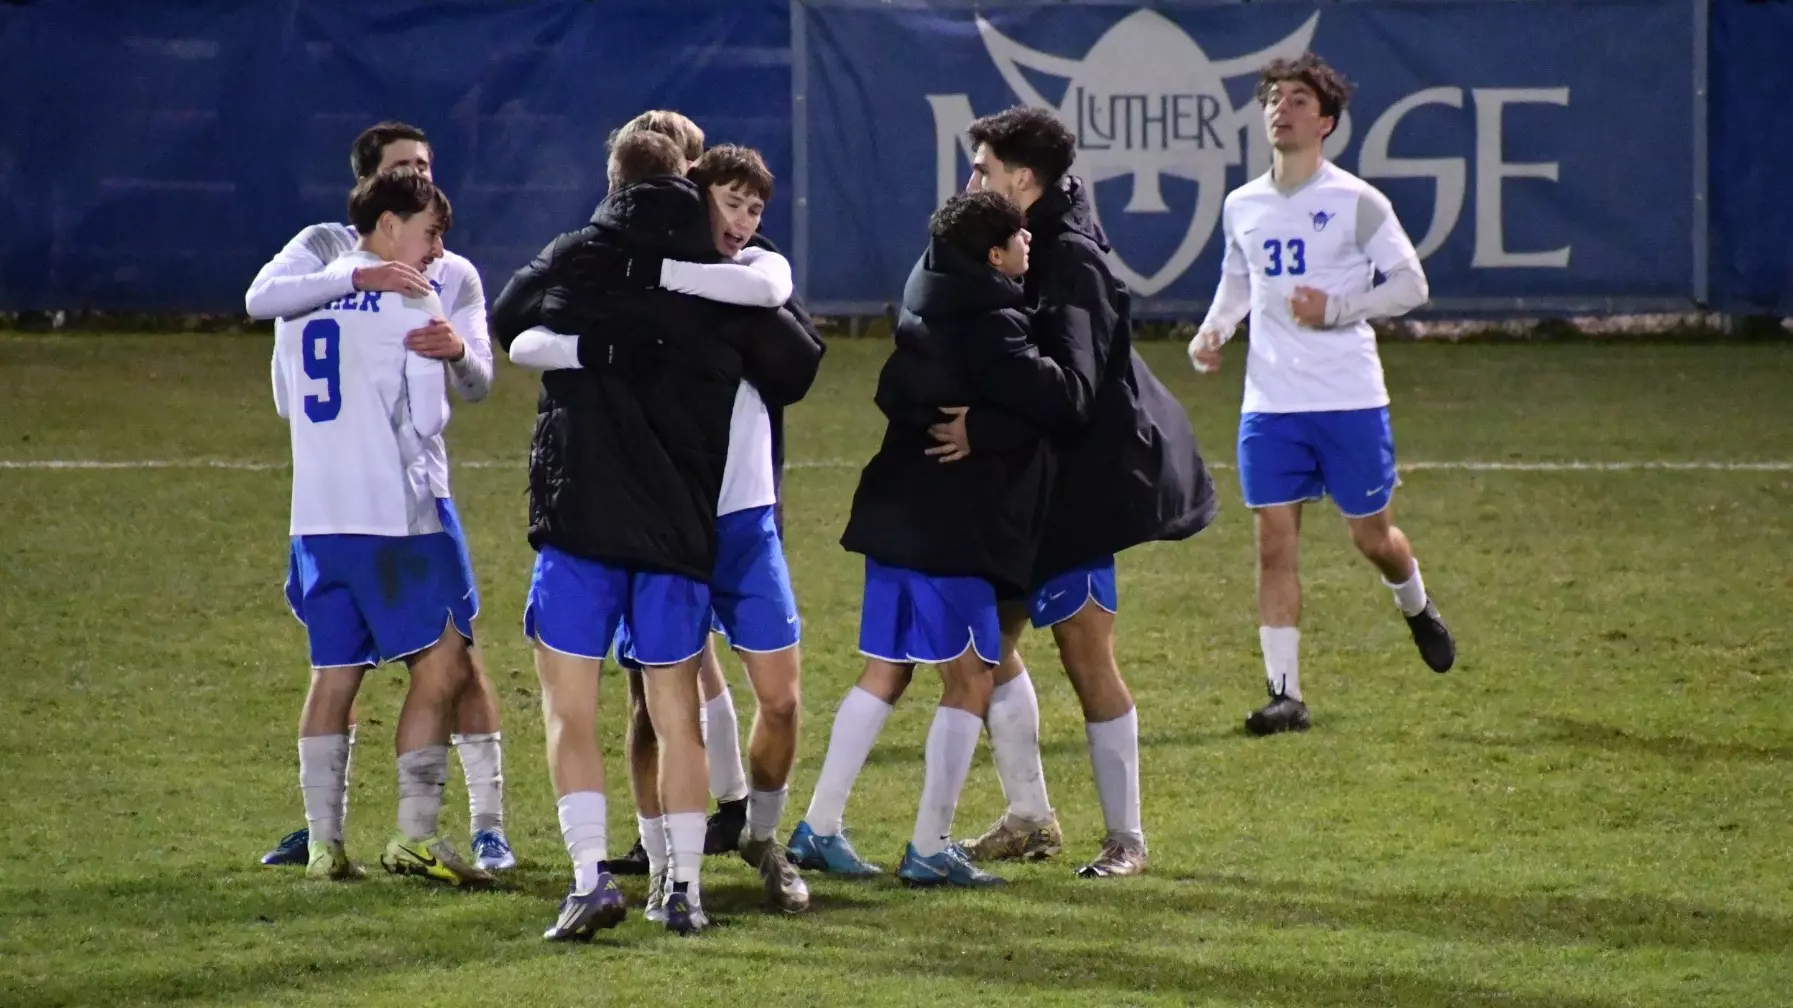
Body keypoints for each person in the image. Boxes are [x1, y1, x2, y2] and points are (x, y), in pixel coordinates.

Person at [489, 129, 819, 939]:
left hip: (595, 525)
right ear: (689, 186)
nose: (739, 218)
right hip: (676, 528)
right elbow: (795, 351)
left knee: (584, 711)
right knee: (667, 709)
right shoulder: (715, 297)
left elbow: (515, 328)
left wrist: (583, 345)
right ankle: (679, 884)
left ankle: (600, 874)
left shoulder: (590, 264)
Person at [918, 105, 1217, 879]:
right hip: (1029, 484)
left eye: (982, 168)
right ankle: (1028, 815)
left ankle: (1127, 839)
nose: (972, 179)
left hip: (1083, 485)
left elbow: (1075, 393)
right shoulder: (1021, 242)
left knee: (1085, 655)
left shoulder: (1069, 257)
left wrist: (980, 427)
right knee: (990, 648)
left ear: (1022, 178)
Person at [795, 190, 1094, 887]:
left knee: (885, 670)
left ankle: (818, 827)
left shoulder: (926, 296)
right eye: (1020, 236)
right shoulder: (993, 323)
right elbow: (1063, 399)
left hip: (894, 518)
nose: (1030, 244)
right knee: (970, 679)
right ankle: (929, 845)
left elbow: (896, 392)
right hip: (949, 528)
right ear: (994, 255)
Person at [245, 121, 514, 873]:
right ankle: (417, 832)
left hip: (317, 519)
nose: (436, 244)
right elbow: (429, 417)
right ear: (383, 213)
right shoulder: (412, 298)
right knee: (445, 664)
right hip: (401, 519)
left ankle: (326, 846)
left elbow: (281, 394)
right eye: (425, 222)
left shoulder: (301, 305)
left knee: (334, 674)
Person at [1187, 53, 1455, 736]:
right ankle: (1286, 695)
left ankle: (1416, 605)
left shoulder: (1357, 202)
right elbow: (1238, 280)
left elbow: (1410, 284)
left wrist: (1336, 307)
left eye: (1299, 99)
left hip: (1347, 397)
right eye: (1275, 97)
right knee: (1273, 545)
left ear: (1326, 121)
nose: (1283, 107)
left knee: (1373, 538)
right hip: (1270, 403)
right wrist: (1213, 329)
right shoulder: (1240, 204)